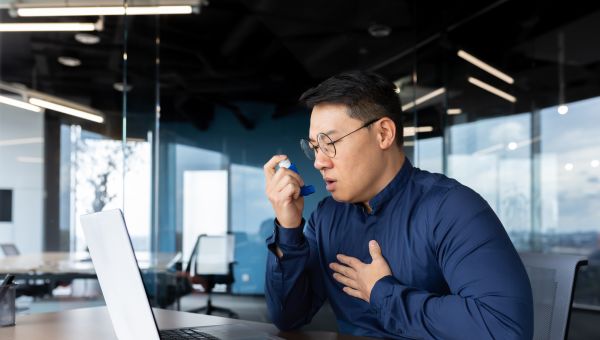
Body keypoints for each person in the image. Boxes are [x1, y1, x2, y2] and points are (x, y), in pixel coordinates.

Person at [263, 70, 533, 339]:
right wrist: (289, 228)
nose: (319, 162)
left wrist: (383, 293)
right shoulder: (326, 216)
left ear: (383, 134)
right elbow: (288, 317)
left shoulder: (451, 207)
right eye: (314, 147)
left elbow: (504, 329)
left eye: (329, 143)